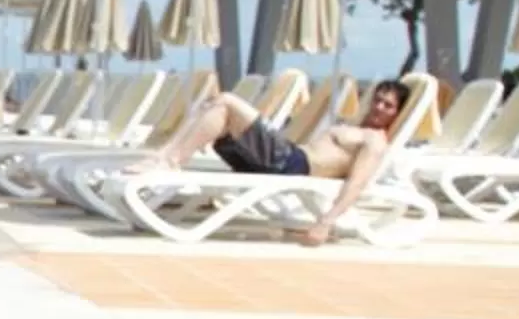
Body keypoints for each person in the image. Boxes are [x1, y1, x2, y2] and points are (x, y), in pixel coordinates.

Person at [140, 78, 412, 246]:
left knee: (227, 101)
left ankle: (170, 159)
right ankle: (167, 157)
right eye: (378, 100)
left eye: (388, 106)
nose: (379, 107)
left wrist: (326, 221)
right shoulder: (356, 127)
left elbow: (357, 183)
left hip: (290, 164)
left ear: (397, 114)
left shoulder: (374, 142)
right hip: (281, 159)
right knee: (215, 108)